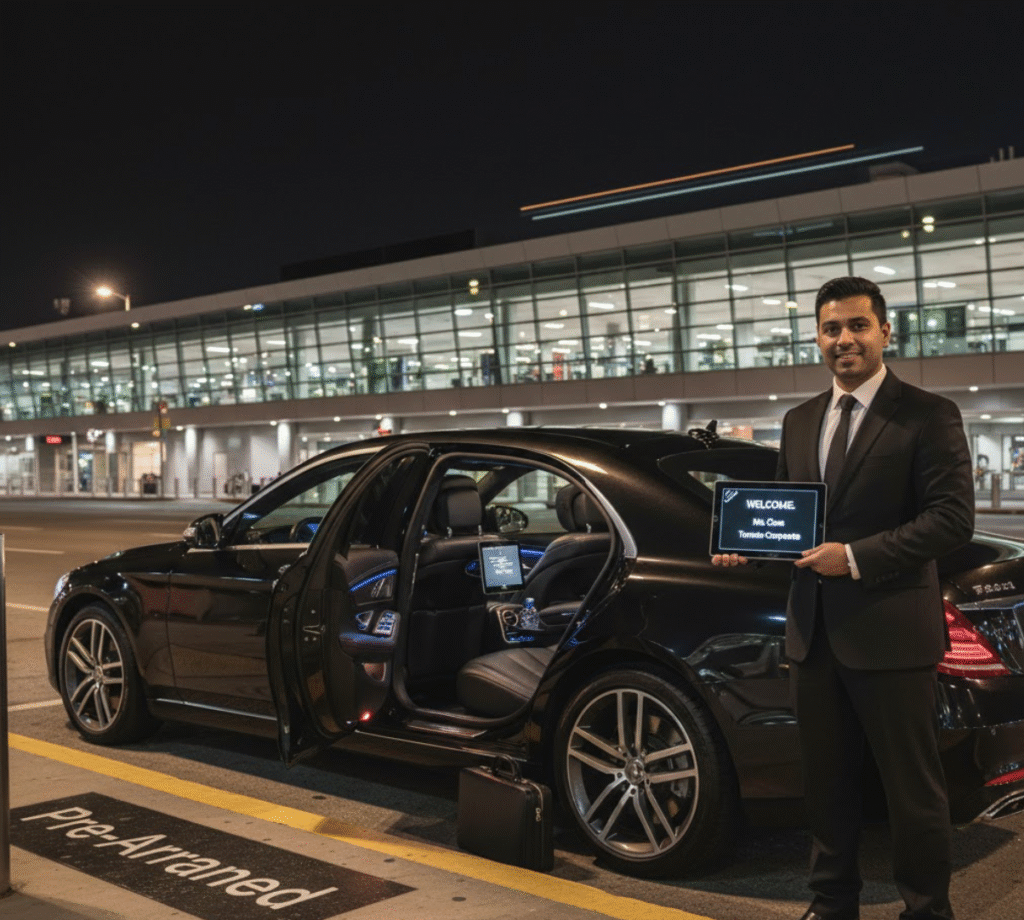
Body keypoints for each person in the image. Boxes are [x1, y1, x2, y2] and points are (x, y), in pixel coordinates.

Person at [714, 276, 974, 920]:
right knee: (826, 786)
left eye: (859, 326)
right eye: (832, 328)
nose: (845, 340)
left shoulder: (927, 414)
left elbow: (951, 520)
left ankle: (927, 909)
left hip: (890, 633)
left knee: (912, 792)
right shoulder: (800, 420)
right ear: (817, 338)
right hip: (813, 634)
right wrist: (747, 544)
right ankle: (832, 903)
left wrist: (855, 559)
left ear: (886, 332)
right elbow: (793, 519)